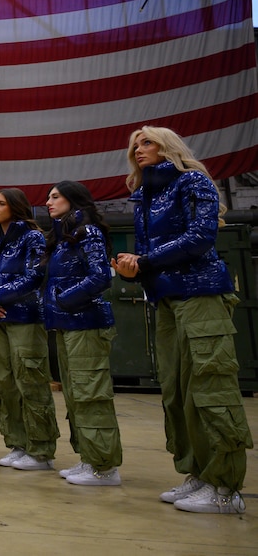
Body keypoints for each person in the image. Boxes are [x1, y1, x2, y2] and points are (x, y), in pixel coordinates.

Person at [112, 126, 252, 514]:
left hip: (201, 293)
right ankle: (199, 473)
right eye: (135, 146)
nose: (138, 150)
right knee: (176, 391)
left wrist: (145, 262)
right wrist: (133, 268)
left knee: (210, 388)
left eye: (147, 142)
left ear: (168, 147)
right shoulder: (144, 194)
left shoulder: (193, 181)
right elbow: (149, 252)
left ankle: (226, 489)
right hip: (166, 298)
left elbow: (200, 238)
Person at [44, 181, 123, 485]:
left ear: (73, 200)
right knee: (77, 394)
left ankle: (104, 466)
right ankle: (90, 458)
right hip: (66, 322)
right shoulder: (64, 237)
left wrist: (64, 300)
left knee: (91, 393)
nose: (48, 202)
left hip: (85, 322)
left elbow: (100, 276)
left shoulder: (87, 232)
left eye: (55, 197)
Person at [0, 188, 60, 470]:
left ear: (16, 207)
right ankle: (18, 444)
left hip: (24, 317)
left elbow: (34, 276)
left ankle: (41, 450)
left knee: (31, 381)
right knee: (5, 383)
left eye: (2, 203)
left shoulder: (32, 237)